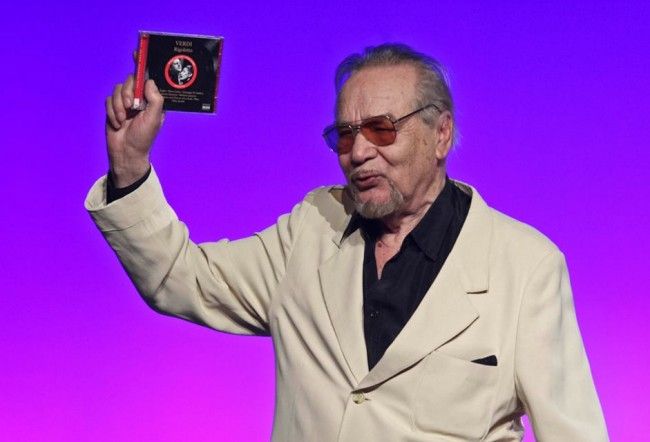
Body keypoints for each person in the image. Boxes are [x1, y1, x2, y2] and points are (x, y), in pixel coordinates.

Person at [86, 43, 608, 441]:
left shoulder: (526, 266)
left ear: (441, 134)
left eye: (381, 129)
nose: (358, 152)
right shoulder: (311, 231)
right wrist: (129, 165)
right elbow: (180, 279)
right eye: (345, 134)